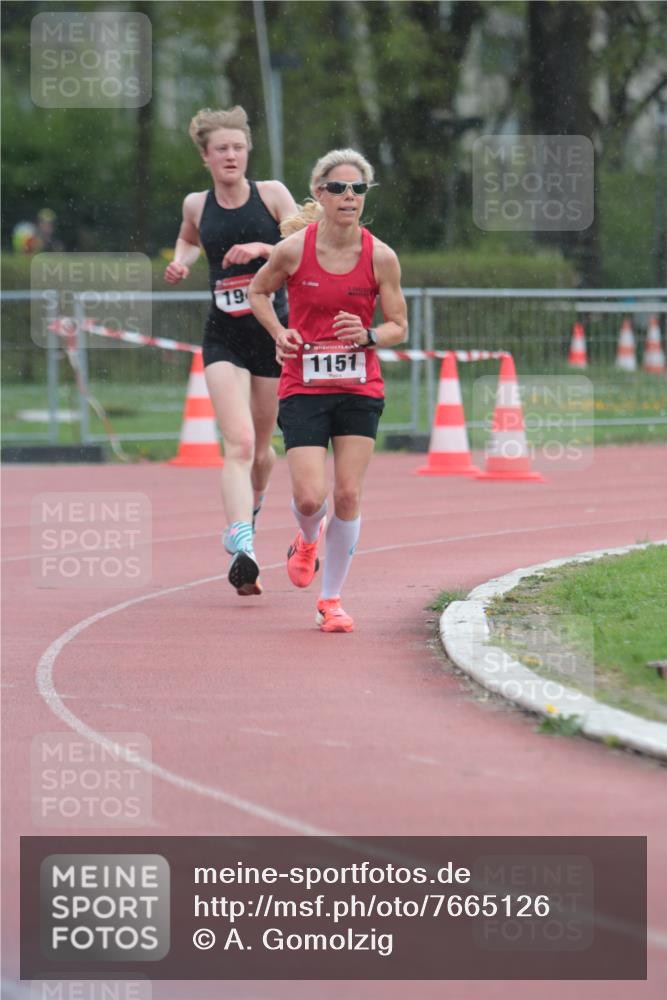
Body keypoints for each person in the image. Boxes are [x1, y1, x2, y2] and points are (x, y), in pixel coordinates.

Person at [248, 149, 408, 632]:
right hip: (305, 385)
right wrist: (280, 333)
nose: (349, 197)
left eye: (358, 189)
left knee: (346, 495)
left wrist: (370, 336)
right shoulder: (295, 250)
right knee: (311, 497)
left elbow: (399, 325)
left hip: (359, 386)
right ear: (320, 193)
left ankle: (331, 600)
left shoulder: (381, 256)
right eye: (338, 188)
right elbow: (258, 292)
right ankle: (306, 538)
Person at [164, 106, 297, 596]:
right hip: (223, 335)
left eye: (238, 147)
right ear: (206, 156)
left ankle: (251, 511)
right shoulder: (197, 204)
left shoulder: (273, 194)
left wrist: (263, 250)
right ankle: (243, 543)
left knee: (263, 451)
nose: (231, 155)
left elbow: (306, 239)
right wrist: (182, 262)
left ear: (247, 152)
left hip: (270, 332)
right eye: (221, 148)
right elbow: (187, 239)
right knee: (238, 443)